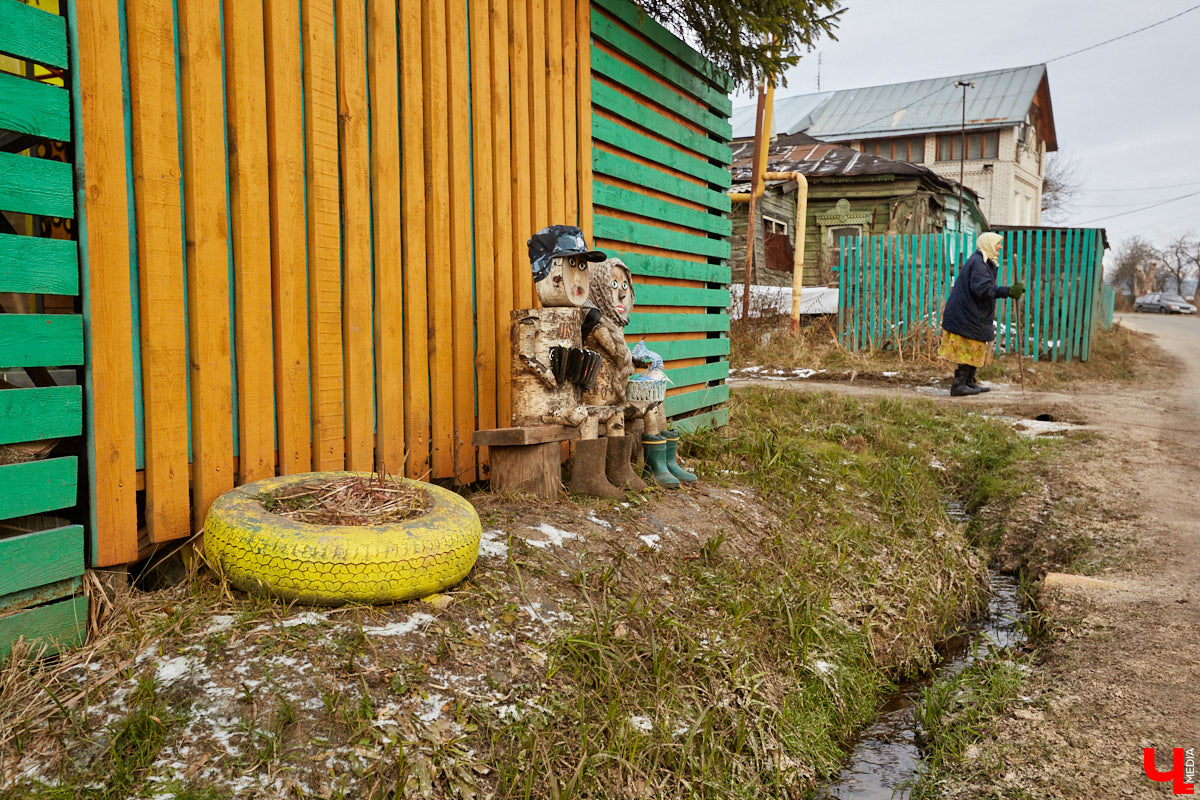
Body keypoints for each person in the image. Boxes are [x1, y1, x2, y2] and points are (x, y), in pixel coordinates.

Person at [939, 231, 1025, 397]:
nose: (1000, 247)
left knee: (975, 347)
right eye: (997, 243)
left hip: (971, 313)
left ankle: (969, 382)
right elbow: (982, 289)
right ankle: (958, 385)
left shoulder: (984, 261)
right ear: (988, 244)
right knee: (968, 348)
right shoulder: (978, 263)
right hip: (965, 314)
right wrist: (1008, 291)